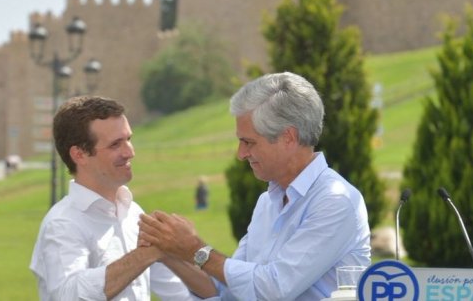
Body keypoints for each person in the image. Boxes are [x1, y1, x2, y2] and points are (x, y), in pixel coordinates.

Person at [139, 72, 371, 300]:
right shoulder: (267, 202)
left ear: (288, 137)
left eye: (248, 142)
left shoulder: (335, 201)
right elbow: (228, 290)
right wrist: (168, 251)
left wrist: (195, 249)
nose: (241, 154)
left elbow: (272, 289)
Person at [29, 96, 216, 301]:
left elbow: (184, 295)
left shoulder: (133, 212)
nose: (130, 152)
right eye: (115, 144)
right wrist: (146, 254)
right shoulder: (62, 224)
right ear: (79, 155)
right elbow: (68, 295)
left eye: (128, 139)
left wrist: (178, 250)